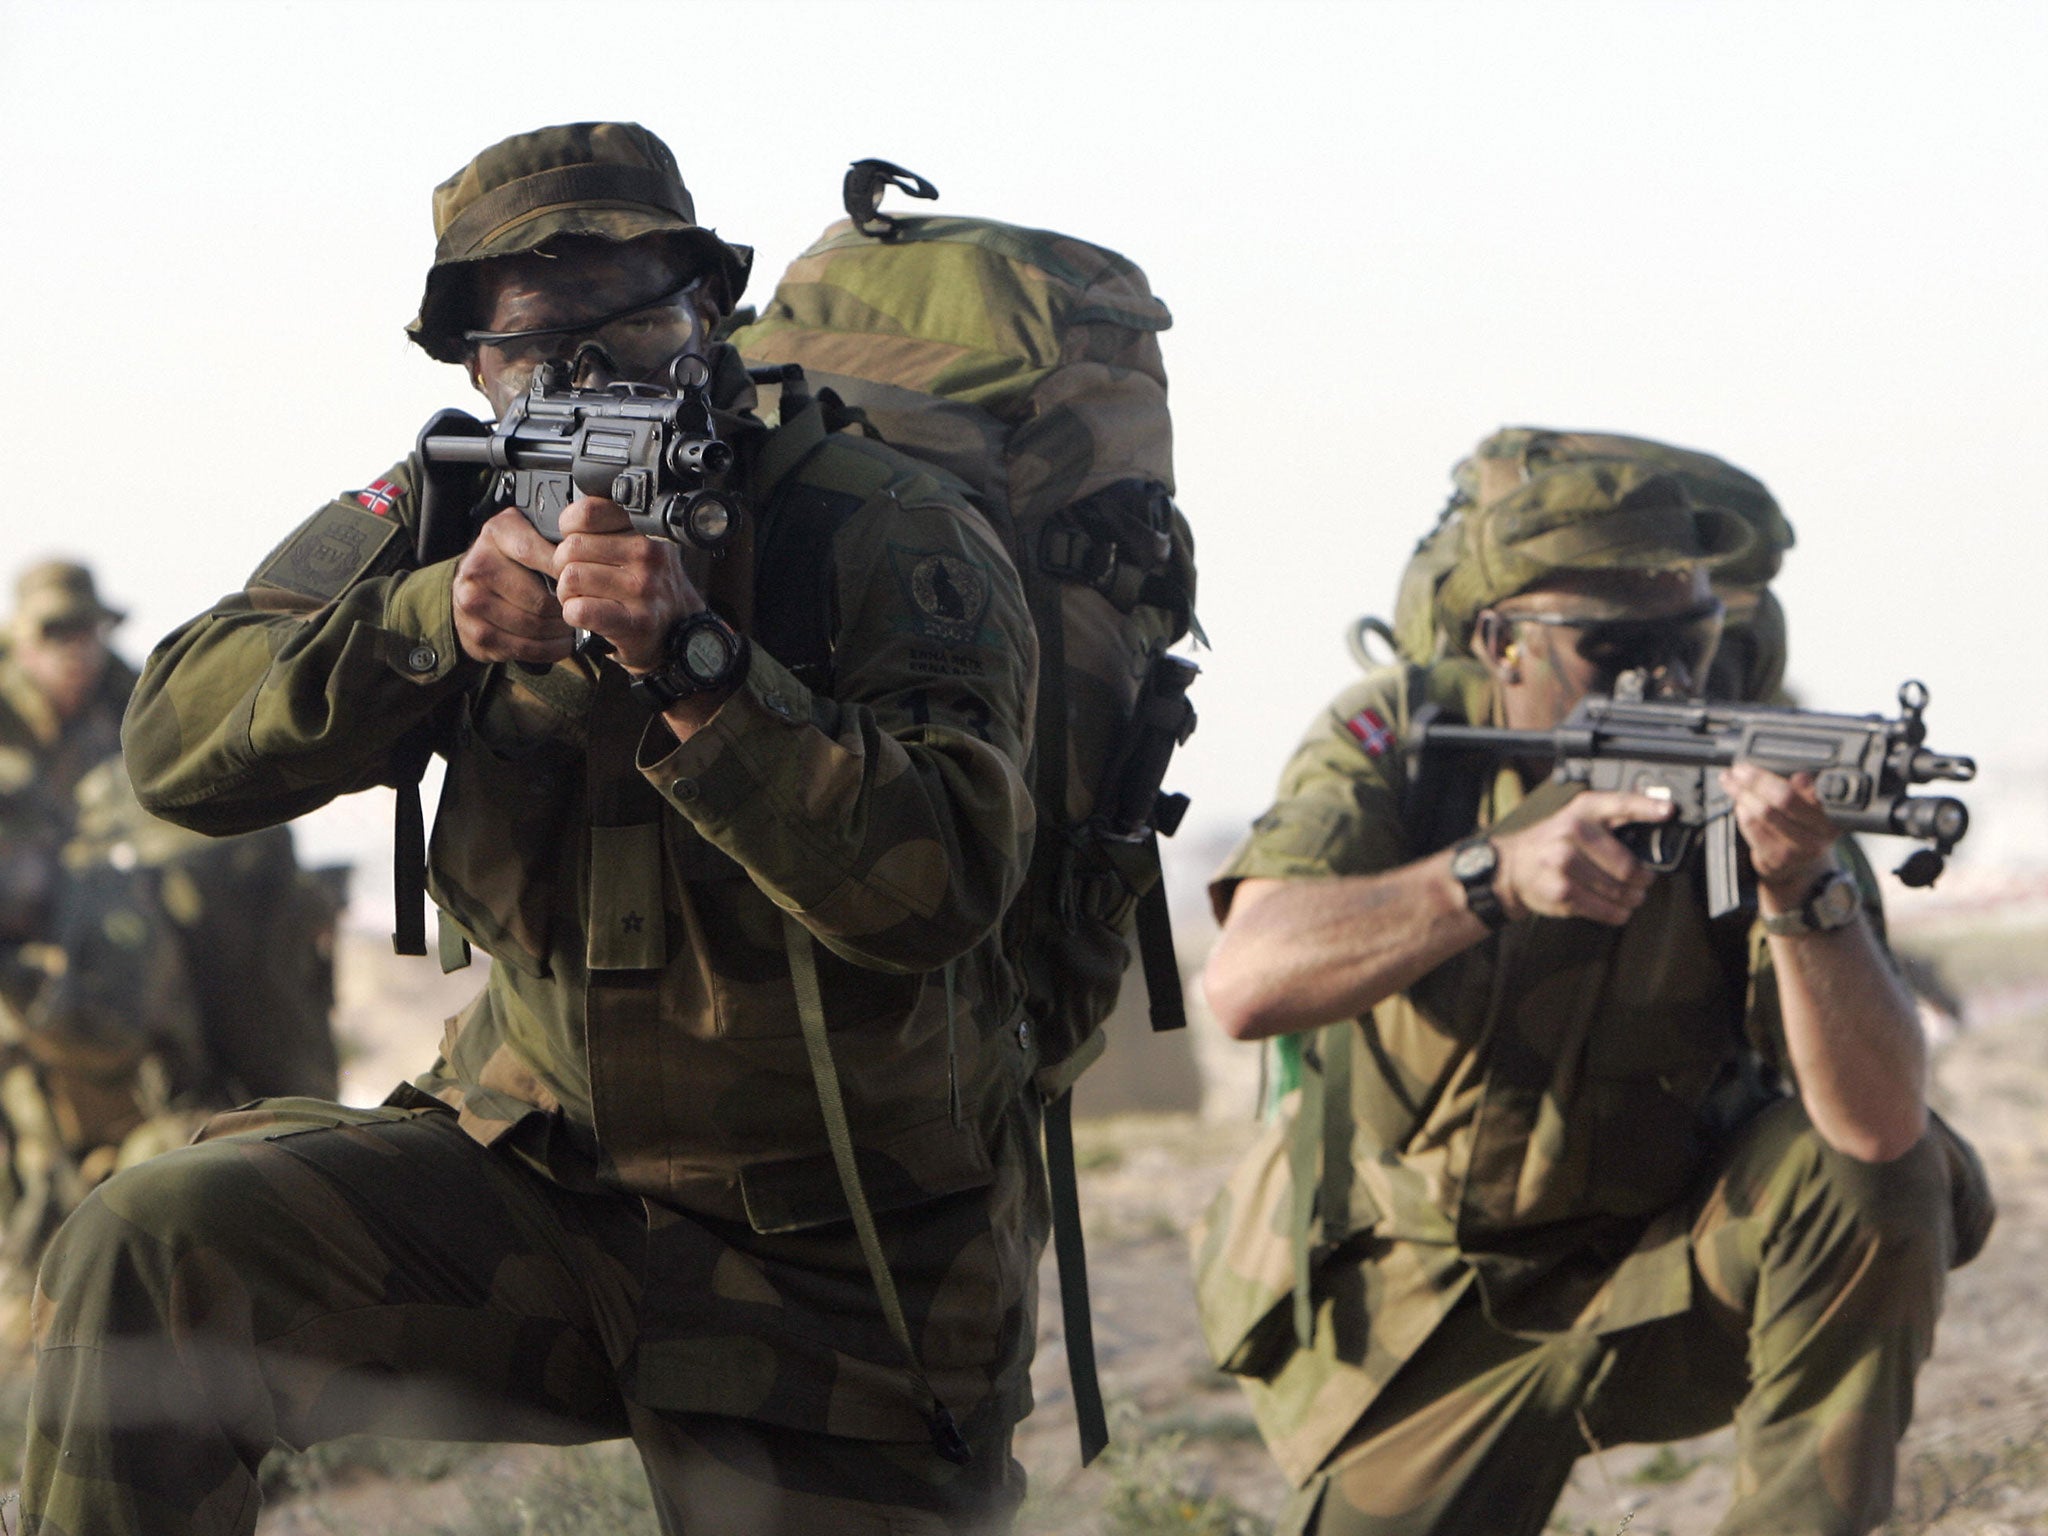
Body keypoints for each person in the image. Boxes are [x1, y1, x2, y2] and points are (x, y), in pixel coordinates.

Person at [21, 121, 1042, 1536]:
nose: (577, 375)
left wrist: (703, 669)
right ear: (475, 367)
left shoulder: (883, 529)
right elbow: (177, 749)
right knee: (154, 1247)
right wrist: (419, 623)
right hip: (535, 1185)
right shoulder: (450, 502)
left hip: (832, 1259)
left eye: (625, 321)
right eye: (526, 343)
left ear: (708, 312)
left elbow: (947, 886)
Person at [1192, 456, 1992, 1536]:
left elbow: (1879, 1127)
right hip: (1424, 1310)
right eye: (1611, 651)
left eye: (1689, 644)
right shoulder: (1403, 737)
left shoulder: (1756, 772)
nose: (1661, 683)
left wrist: (1797, 888)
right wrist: (1487, 877)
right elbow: (1245, 983)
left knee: (1877, 1183)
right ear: (1500, 643)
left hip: (1661, 1265)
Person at [0, 561, 136, 1005]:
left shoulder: (137, 706)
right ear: (20, 641)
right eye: (54, 631)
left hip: (105, 906)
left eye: (88, 630)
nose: (74, 648)